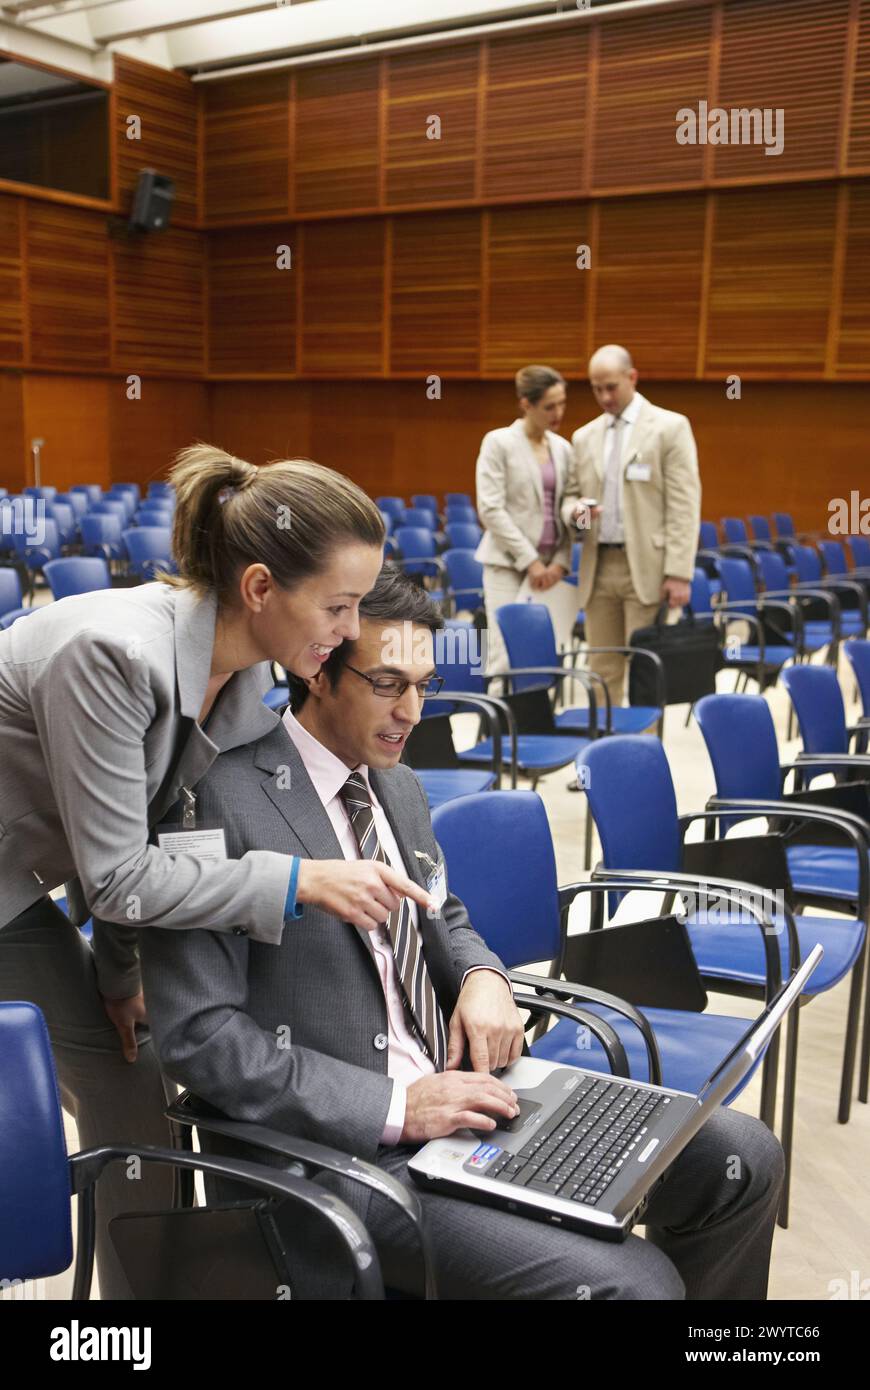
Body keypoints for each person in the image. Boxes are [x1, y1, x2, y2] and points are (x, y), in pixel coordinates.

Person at [140, 566, 784, 1301]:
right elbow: (198, 1035)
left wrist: (484, 977)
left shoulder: (398, 785)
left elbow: (445, 914)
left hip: (468, 1103)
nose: (412, 712)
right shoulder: (214, 801)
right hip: (343, 1159)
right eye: (388, 684)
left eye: (424, 685)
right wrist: (396, 1107)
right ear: (317, 669)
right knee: (633, 1287)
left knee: (743, 1157)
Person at [0, 447, 436, 1299]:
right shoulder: (112, 655)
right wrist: (297, 881)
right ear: (262, 589)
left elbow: (156, 844)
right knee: (108, 1080)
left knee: (136, 1056)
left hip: (27, 868)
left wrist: (121, 971)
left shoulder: (236, 691)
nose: (351, 631)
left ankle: (151, 1298)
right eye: (339, 606)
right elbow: (124, 875)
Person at [562, 345, 701, 706]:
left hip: (649, 567)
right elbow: (571, 498)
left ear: (632, 378)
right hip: (598, 564)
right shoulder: (584, 436)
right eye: (596, 389)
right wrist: (577, 511)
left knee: (645, 669)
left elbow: (684, 504)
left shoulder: (669, 427)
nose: (604, 397)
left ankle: (642, 755)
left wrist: (679, 573)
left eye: (611, 387)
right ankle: (604, 750)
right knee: (602, 669)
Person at [475, 365, 575, 680]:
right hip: (507, 565)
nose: (558, 413)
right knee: (506, 655)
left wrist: (559, 562)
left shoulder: (563, 448)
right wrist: (530, 562)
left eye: (562, 403)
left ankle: (532, 727)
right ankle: (493, 728)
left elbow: (568, 507)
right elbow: (490, 509)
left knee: (540, 654)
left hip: (550, 570)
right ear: (526, 404)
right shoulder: (499, 442)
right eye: (549, 406)